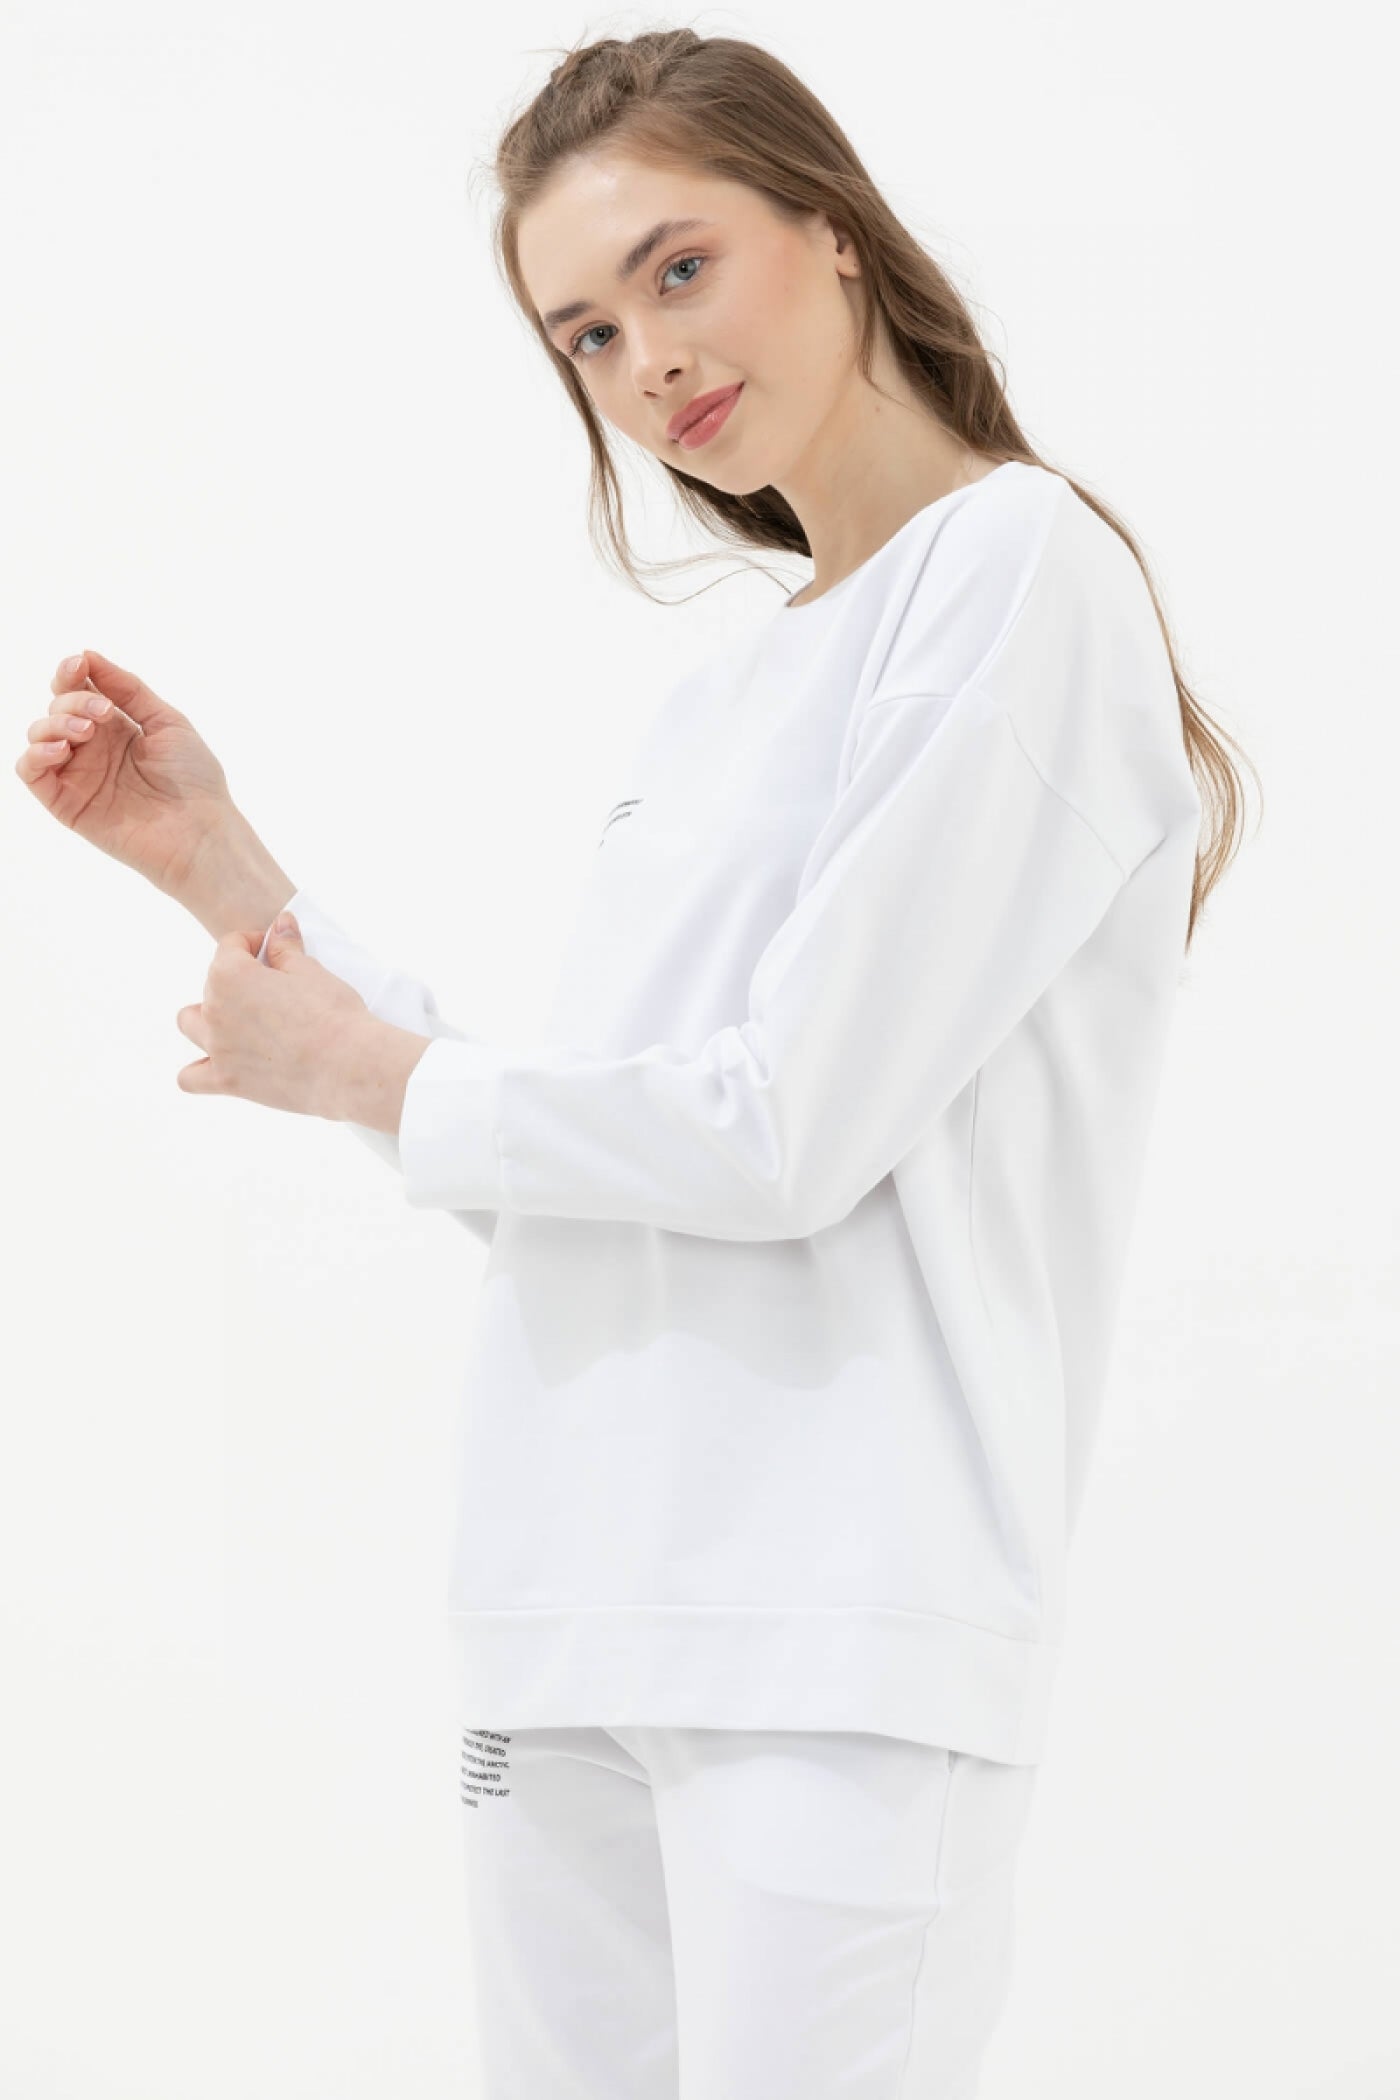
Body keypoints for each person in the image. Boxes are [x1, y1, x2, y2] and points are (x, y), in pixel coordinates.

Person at [17, 27, 1257, 2099]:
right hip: (574, 1602)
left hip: (838, 1633)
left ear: (833, 230)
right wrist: (219, 866)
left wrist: (372, 1077)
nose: (646, 358)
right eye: (586, 331)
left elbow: (785, 1129)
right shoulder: (733, 688)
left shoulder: (1017, 569)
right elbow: (593, 1147)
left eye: (680, 269)